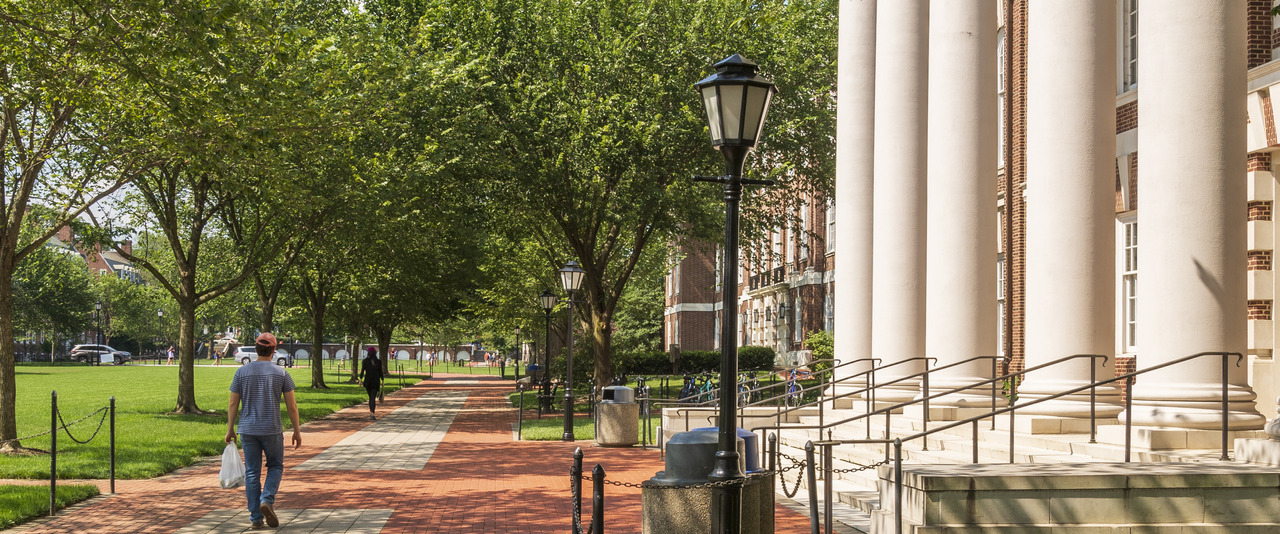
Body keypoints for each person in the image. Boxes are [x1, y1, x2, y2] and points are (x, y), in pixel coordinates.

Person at [225, 333, 301, 530]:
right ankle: (266, 499)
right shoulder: (281, 373)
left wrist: (230, 428)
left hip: (248, 429)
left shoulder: (241, 372)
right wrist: (296, 430)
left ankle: (256, 518)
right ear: (273, 350)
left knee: (252, 472)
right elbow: (292, 406)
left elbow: (233, 402)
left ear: (256, 349)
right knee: (275, 466)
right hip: (272, 428)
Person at [359, 346, 383, 420]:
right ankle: (372, 413)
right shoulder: (378, 362)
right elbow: (380, 372)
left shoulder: (365, 361)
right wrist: (383, 381)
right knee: (373, 397)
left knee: (370, 398)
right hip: (376, 382)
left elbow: (362, 371)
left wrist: (360, 379)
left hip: (368, 381)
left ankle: (371, 413)